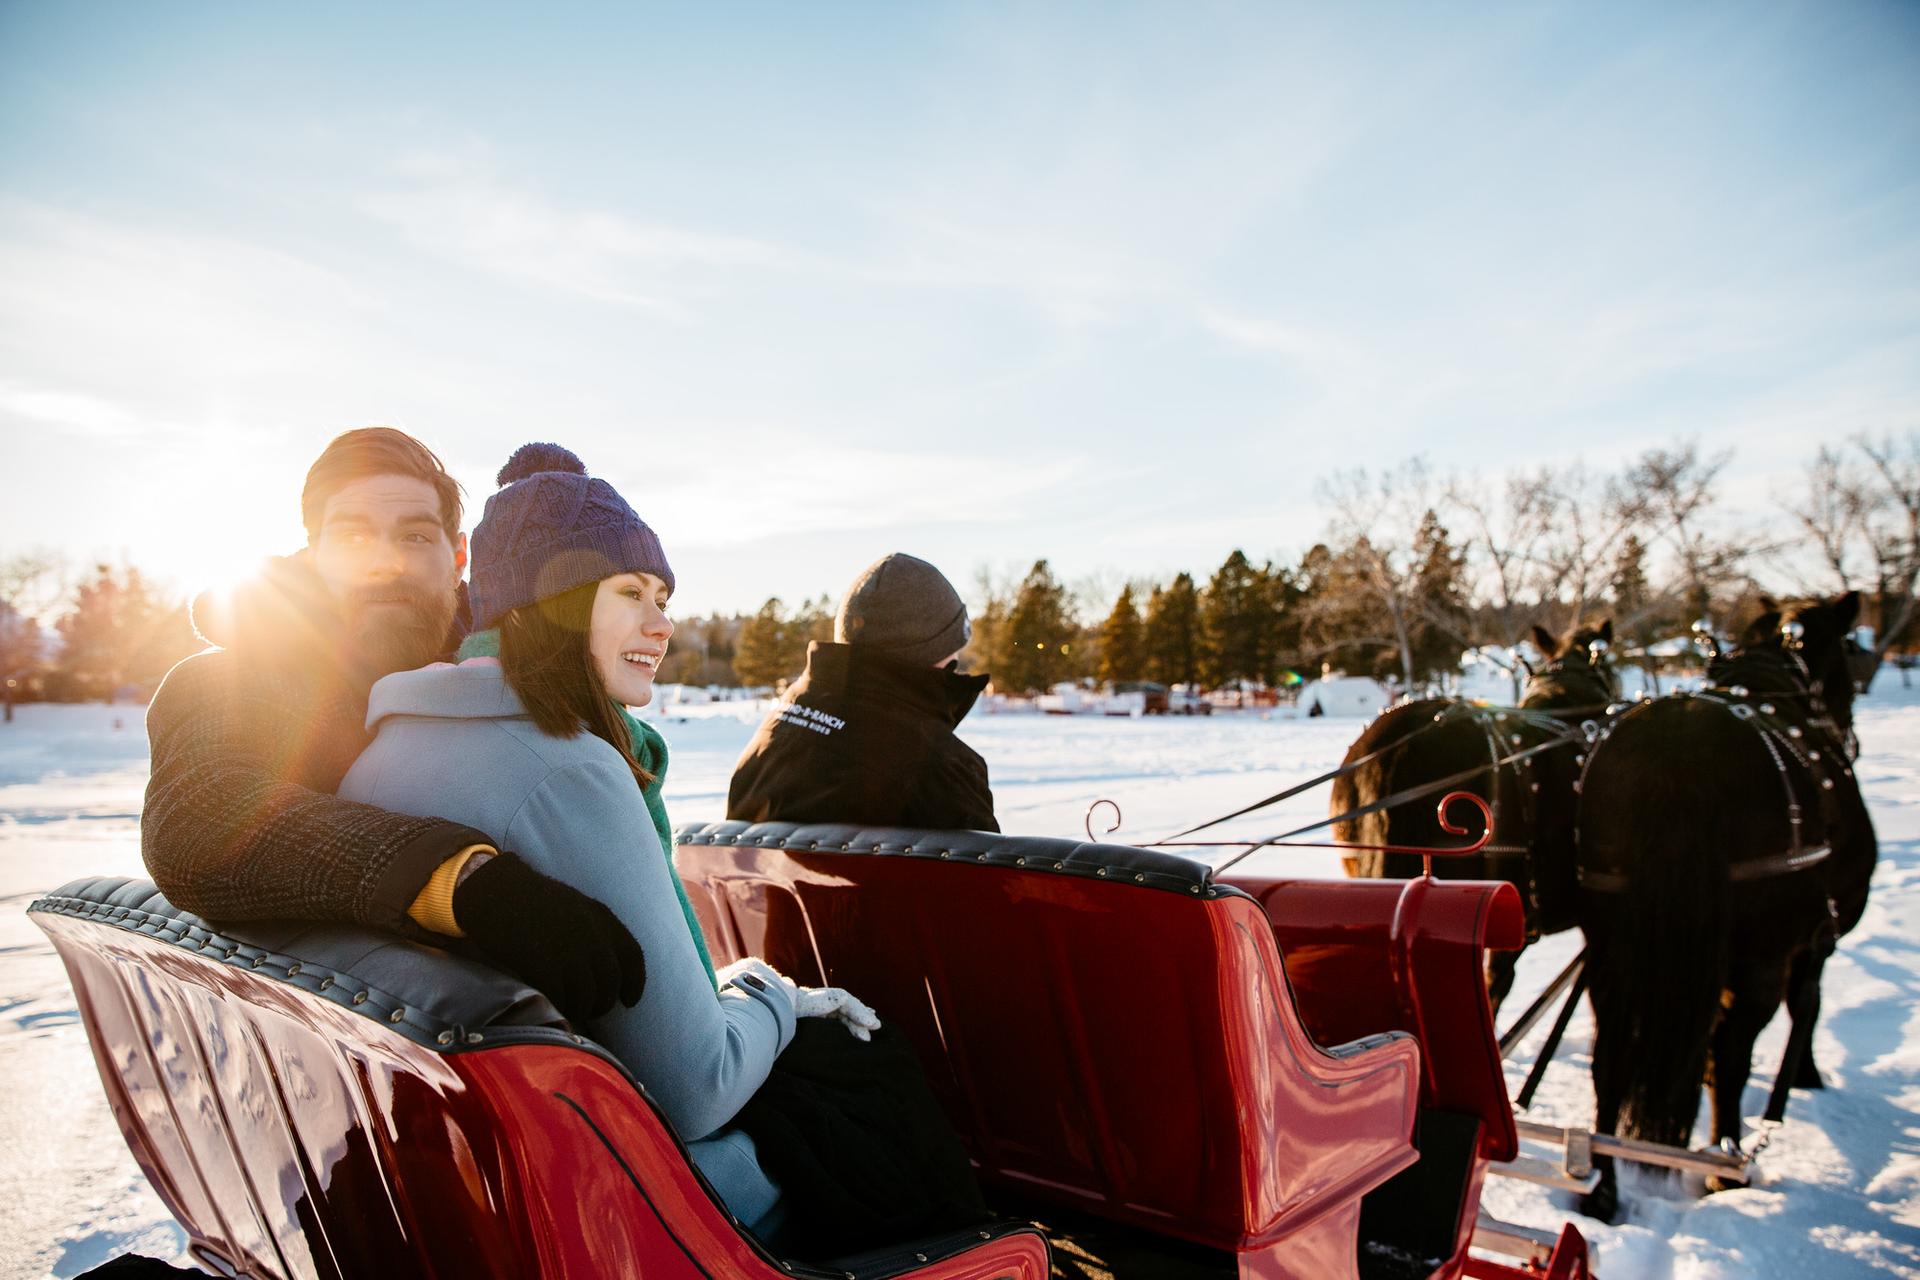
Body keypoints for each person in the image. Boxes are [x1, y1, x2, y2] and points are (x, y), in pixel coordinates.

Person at [337, 443, 886, 1237]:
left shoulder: (392, 742)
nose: (662, 626)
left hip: (475, 1171)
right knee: (875, 1083)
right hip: (623, 1199)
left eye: (663, 596)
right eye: (632, 593)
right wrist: (771, 988)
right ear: (552, 604)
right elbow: (698, 1086)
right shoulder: (570, 771)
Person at [142, 428, 646, 1023]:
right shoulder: (236, 681)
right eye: (353, 536)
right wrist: (469, 886)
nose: (386, 562)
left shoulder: (518, 676)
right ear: (314, 554)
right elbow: (203, 818)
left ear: (459, 555)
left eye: (415, 535)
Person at [727, 553, 998, 832]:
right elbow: (988, 874)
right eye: (954, 642)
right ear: (931, 649)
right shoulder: (942, 769)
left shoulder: (772, 736)